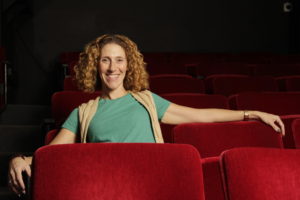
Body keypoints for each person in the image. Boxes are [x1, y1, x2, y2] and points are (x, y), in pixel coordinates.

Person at [8, 34, 285, 196]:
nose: (112, 67)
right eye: (105, 59)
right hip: (107, 189)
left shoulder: (147, 101)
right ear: (96, 65)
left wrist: (251, 113)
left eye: (119, 60)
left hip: (151, 187)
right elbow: (52, 155)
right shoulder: (83, 112)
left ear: (128, 66)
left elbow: (199, 116)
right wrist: (21, 159)